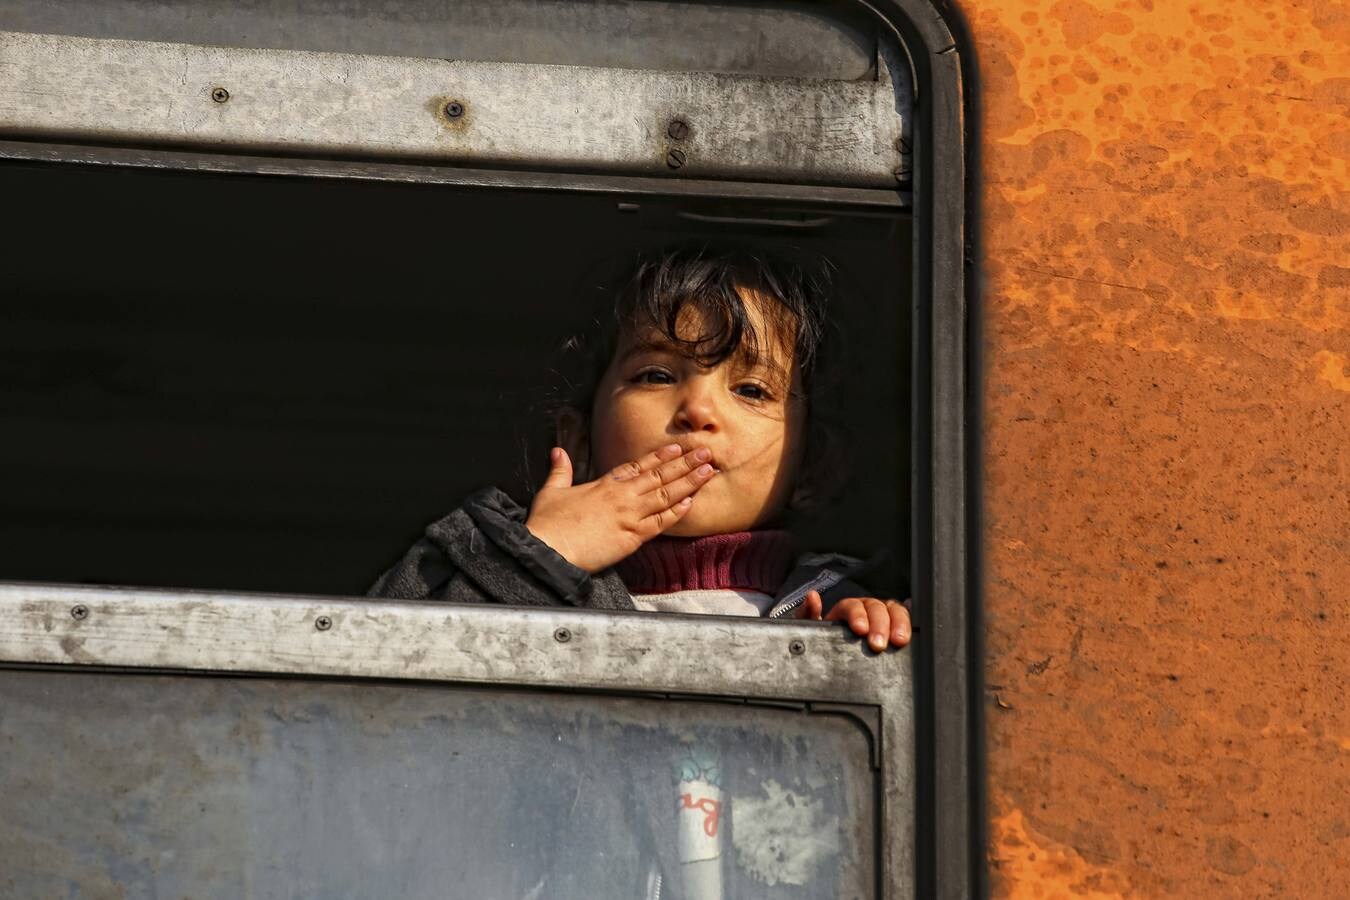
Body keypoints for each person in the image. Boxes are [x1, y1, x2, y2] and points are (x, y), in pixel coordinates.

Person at [370, 246, 912, 650]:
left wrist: (852, 647)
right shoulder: (483, 557)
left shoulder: (850, 600)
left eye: (751, 390)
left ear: (813, 464)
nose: (698, 411)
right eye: (656, 375)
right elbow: (375, 673)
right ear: (579, 441)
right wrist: (538, 558)